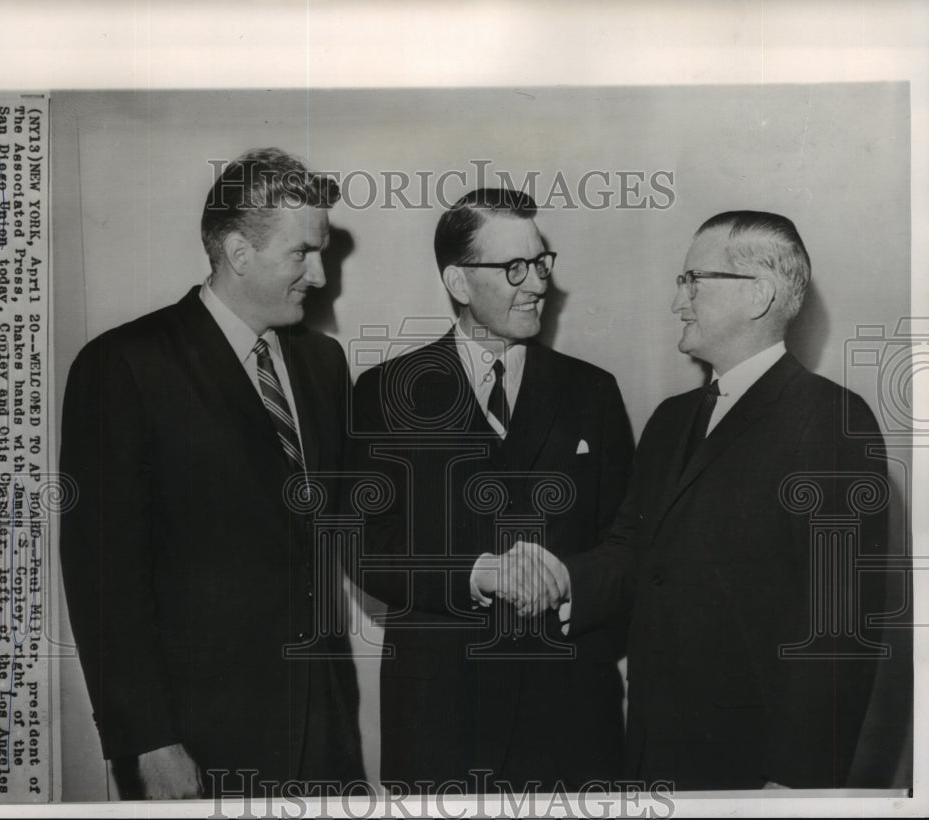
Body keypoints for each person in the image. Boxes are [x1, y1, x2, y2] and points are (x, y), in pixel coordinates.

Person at [59, 148, 363, 799]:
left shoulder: (323, 364)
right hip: (196, 741)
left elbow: (354, 526)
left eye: (325, 251)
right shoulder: (124, 365)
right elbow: (102, 575)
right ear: (237, 251)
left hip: (324, 734)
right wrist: (147, 739)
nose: (320, 275)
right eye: (301, 254)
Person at [565, 210, 889, 789]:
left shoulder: (831, 420)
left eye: (692, 281)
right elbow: (633, 551)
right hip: (653, 755)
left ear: (758, 294)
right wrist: (563, 580)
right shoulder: (670, 420)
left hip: (755, 771)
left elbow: (838, 625)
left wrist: (797, 784)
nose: (677, 302)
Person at [350, 188, 634, 793]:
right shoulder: (383, 393)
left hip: (571, 725)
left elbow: (628, 544)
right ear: (457, 282)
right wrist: (476, 572)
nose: (537, 285)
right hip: (440, 727)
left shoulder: (593, 393)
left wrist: (566, 581)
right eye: (513, 269)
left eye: (541, 263)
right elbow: (364, 548)